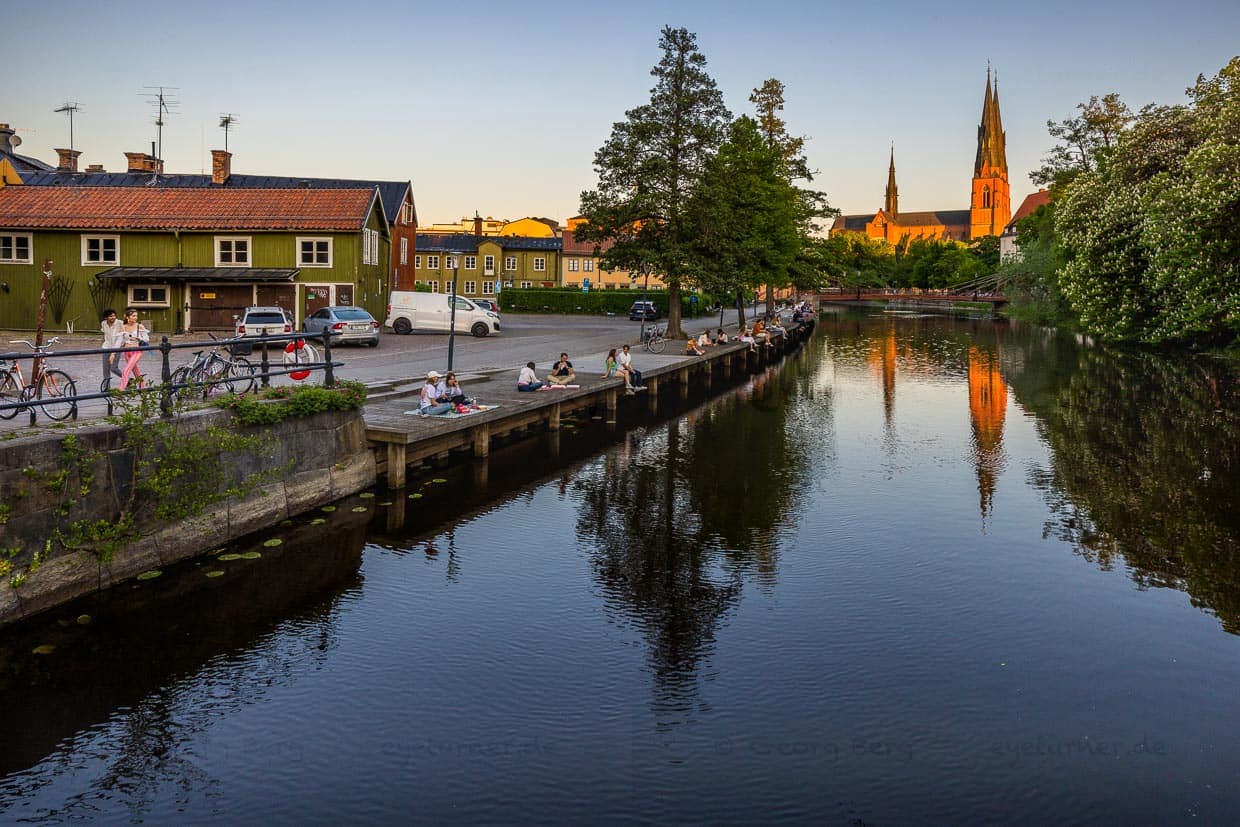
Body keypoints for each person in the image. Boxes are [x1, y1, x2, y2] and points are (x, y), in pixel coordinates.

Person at [117, 308, 150, 390]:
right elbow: (119, 341)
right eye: (133, 316)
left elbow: (146, 339)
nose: (135, 317)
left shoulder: (140, 326)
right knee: (135, 370)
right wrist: (114, 351)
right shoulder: (123, 327)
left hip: (136, 351)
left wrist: (139, 339)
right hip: (126, 352)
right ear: (127, 317)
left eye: (136, 316)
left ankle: (121, 390)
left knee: (126, 370)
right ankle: (143, 386)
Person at [99, 308, 123, 389]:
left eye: (114, 315)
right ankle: (106, 388)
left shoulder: (120, 323)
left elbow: (123, 335)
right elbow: (105, 335)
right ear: (106, 317)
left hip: (117, 347)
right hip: (106, 347)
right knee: (105, 369)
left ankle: (127, 380)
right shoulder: (103, 323)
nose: (113, 317)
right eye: (110, 316)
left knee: (114, 368)